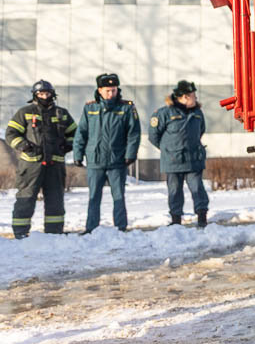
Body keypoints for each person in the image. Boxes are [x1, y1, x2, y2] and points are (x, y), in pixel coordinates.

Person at [4, 80, 77, 238]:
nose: (44, 96)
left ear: (52, 94)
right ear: (35, 95)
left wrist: (68, 145)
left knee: (55, 200)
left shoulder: (62, 114)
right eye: (41, 94)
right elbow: (10, 134)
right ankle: (20, 234)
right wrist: (23, 145)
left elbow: (75, 134)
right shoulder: (25, 112)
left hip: (55, 164)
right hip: (31, 166)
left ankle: (54, 234)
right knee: (26, 198)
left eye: (47, 93)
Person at [73, 73, 141, 234]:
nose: (111, 94)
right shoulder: (90, 108)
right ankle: (91, 228)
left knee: (118, 196)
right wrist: (78, 154)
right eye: (108, 90)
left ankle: (121, 227)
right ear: (100, 90)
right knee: (94, 196)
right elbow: (81, 132)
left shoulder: (126, 108)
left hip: (117, 160)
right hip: (95, 160)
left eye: (114, 90)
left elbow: (134, 133)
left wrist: (130, 154)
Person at [148, 80, 209, 227]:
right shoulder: (164, 113)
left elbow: (201, 130)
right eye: (194, 95)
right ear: (184, 97)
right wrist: (168, 149)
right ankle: (176, 220)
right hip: (173, 160)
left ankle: (202, 217)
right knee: (174, 191)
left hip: (193, 159)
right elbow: (153, 136)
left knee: (197, 188)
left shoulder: (197, 113)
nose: (196, 98)